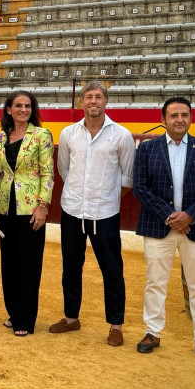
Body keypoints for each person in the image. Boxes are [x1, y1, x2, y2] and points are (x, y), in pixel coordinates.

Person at [133, 97, 195, 364]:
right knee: (155, 282)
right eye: (174, 115)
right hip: (158, 225)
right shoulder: (147, 150)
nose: (179, 119)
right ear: (163, 121)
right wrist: (170, 216)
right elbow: (141, 187)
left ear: (191, 119)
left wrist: (190, 216)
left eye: (184, 114)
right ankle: (152, 332)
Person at [51, 81, 135, 347]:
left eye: (98, 96)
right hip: (73, 210)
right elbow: (64, 170)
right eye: (88, 97)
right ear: (81, 102)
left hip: (105, 213)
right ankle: (71, 318)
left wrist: (105, 198)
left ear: (106, 101)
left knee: (112, 270)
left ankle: (115, 325)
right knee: (71, 268)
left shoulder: (121, 135)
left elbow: (127, 178)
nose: (93, 101)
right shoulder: (68, 134)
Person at [0, 91, 54, 336]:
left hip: (30, 209)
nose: (23, 110)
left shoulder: (41, 135)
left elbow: (47, 173)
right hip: (7, 207)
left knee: (28, 264)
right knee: (9, 263)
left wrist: (43, 206)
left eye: (28, 106)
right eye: (18, 105)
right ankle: (14, 312)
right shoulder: (1, 137)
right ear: (9, 109)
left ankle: (26, 319)